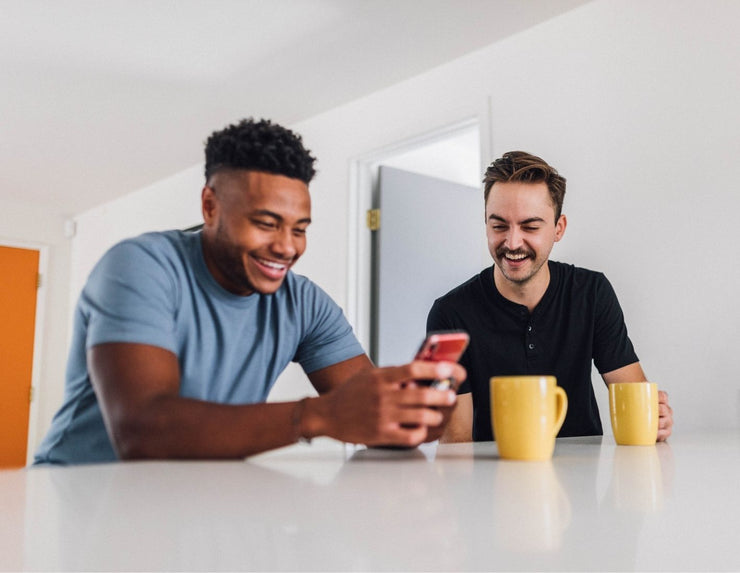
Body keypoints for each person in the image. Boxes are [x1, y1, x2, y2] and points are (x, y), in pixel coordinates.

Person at [35, 118, 464, 465]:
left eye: (300, 229)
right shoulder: (140, 267)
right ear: (209, 206)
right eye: (266, 223)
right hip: (77, 498)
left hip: (194, 505)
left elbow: (372, 417)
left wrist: (413, 412)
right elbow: (142, 432)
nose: (287, 247)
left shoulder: (304, 304)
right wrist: (319, 416)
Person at [426, 151, 673, 443]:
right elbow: (456, 441)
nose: (513, 242)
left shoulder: (592, 292)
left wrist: (656, 419)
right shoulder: (449, 313)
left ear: (558, 228)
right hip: (491, 483)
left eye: (530, 227)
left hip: (582, 482)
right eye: (499, 226)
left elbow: (634, 396)